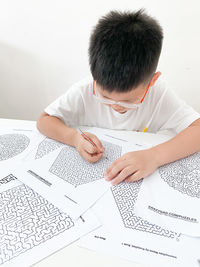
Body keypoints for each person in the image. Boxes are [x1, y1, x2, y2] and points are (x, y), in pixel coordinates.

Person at [37, 9, 200, 185]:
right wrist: (74, 138)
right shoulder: (85, 89)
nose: (115, 106)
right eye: (105, 97)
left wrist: (154, 156)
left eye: (128, 101)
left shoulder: (159, 95)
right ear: (95, 77)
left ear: (152, 81)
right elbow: (45, 120)